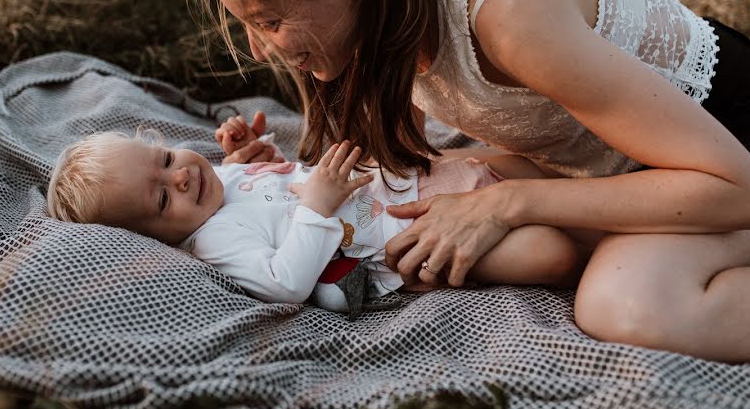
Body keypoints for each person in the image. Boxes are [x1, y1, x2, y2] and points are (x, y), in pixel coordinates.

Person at [188, 0, 750, 360]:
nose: (259, 50)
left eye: (266, 21)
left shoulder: (509, 17)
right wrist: (270, 178)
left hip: (723, 153)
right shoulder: (382, 19)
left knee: (627, 305)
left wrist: (504, 204)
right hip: (625, 166)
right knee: (427, 182)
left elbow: (735, 184)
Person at [46, 123, 590, 316]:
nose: (182, 177)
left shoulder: (212, 182)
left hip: (401, 183)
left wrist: (248, 155)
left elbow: (271, 183)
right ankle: (600, 259)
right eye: (162, 199)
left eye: (166, 160)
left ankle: (616, 208)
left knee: (517, 167)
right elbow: (284, 283)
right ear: (156, 241)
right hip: (407, 239)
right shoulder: (214, 241)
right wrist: (315, 208)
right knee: (550, 253)